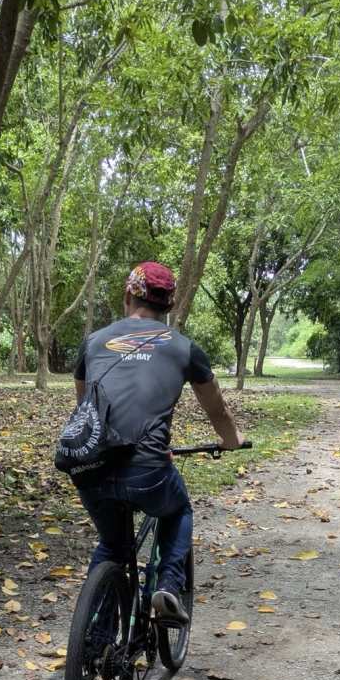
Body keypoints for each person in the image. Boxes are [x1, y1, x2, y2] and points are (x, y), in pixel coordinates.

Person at [72, 261, 244, 624]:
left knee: (112, 547)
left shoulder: (92, 342)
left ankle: (95, 644)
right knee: (178, 509)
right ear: (171, 306)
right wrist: (231, 441)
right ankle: (167, 583)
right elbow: (217, 410)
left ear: (127, 295)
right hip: (148, 470)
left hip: (89, 467)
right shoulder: (184, 349)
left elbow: (86, 407)